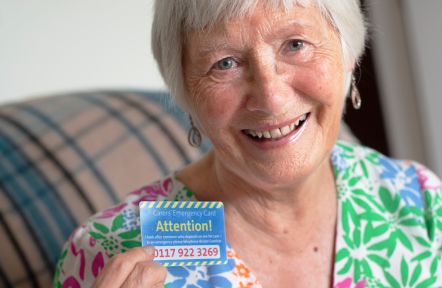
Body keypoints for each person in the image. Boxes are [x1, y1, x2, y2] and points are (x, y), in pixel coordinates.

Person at [54, 0, 442, 287]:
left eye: (295, 44)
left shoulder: (422, 202)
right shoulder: (106, 251)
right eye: (225, 63)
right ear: (186, 94)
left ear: (348, 56)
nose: (271, 97)